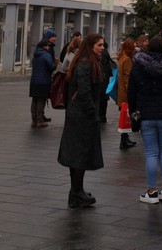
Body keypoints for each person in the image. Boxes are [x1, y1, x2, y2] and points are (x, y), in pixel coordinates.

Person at [127, 34, 162, 204]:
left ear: (148, 48)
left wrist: (134, 114)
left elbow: (131, 92)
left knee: (151, 152)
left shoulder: (138, 66)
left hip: (146, 114)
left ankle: (152, 191)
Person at [57, 33, 105, 208]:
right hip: (81, 116)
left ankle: (76, 191)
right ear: (90, 46)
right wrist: (93, 113)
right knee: (79, 155)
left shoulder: (86, 61)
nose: (102, 48)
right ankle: (76, 192)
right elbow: (84, 93)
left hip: (78, 114)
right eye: (99, 45)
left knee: (77, 155)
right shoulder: (85, 64)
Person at [29, 36, 56, 128]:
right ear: (44, 46)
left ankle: (34, 120)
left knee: (35, 100)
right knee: (41, 100)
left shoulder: (35, 55)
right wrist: (55, 64)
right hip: (44, 81)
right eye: (47, 46)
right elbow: (52, 66)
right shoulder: (46, 55)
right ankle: (40, 121)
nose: (48, 47)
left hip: (34, 81)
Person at [117, 38, 137, 149]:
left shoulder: (121, 57)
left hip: (121, 92)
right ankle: (124, 141)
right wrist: (131, 92)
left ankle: (125, 138)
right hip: (126, 93)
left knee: (124, 116)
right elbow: (127, 77)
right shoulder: (128, 60)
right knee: (126, 116)